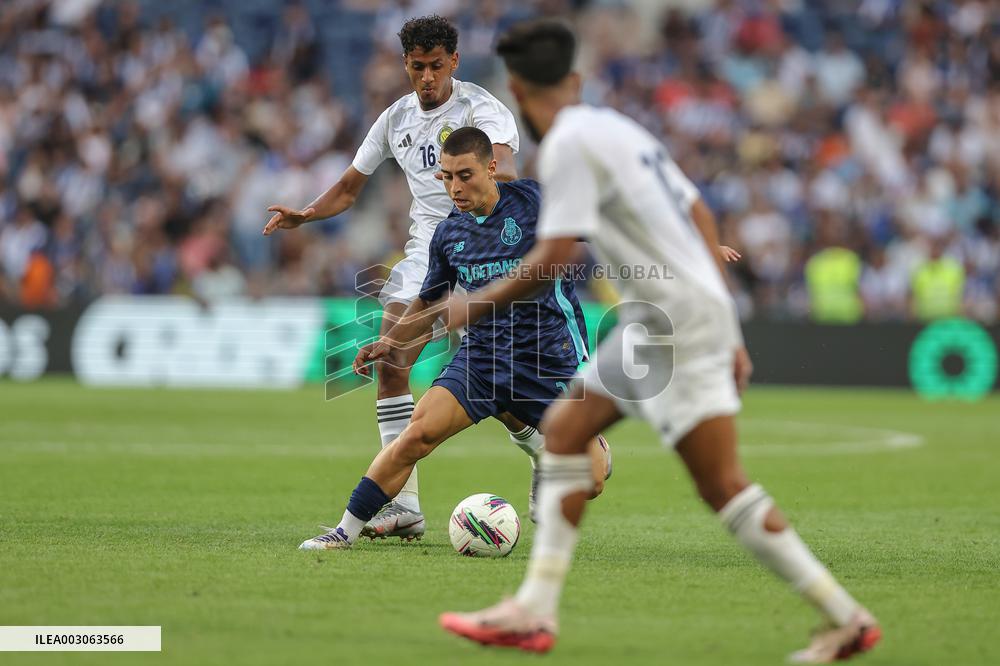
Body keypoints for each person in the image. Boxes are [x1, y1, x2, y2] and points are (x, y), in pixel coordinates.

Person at [439, 20, 881, 664]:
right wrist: (727, 322)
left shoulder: (564, 146)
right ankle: (533, 610)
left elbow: (554, 256)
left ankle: (848, 619)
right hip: (665, 317)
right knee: (564, 433)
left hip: (673, 321)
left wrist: (474, 303)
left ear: (515, 90)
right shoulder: (621, 129)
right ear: (575, 80)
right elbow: (697, 210)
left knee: (721, 484)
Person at [264, 16, 525, 541]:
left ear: (454, 61)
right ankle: (403, 506)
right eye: (416, 67)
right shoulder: (395, 119)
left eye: (435, 66)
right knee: (391, 364)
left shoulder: (483, 111)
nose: (426, 77)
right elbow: (347, 186)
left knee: (503, 394)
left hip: (478, 254)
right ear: (405, 64)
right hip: (424, 256)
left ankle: (556, 451)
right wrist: (307, 215)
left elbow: (509, 181)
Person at [298, 127, 611, 550]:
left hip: (548, 360)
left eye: (465, 175)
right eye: (446, 177)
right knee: (416, 435)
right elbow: (429, 300)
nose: (455, 187)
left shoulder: (533, 202)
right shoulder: (449, 234)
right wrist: (390, 342)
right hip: (481, 359)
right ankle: (343, 531)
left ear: (492, 167)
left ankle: (568, 445)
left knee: (590, 481)